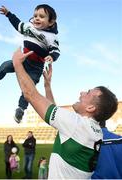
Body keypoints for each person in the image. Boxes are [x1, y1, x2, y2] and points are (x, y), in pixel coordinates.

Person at [12, 48, 118, 179]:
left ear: (91, 108)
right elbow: (55, 115)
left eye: (88, 92)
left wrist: (17, 64)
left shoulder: (76, 125)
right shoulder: (93, 131)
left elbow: (30, 94)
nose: (82, 92)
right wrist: (47, 86)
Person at [0, 4, 60, 124]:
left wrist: (52, 56)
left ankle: (21, 108)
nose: (37, 18)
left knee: (28, 88)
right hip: (23, 60)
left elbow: (56, 50)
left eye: (41, 16)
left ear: (51, 22)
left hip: (36, 67)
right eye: (35, 15)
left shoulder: (52, 37)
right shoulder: (29, 27)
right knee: (5, 65)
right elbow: (17, 23)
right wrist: (8, 14)